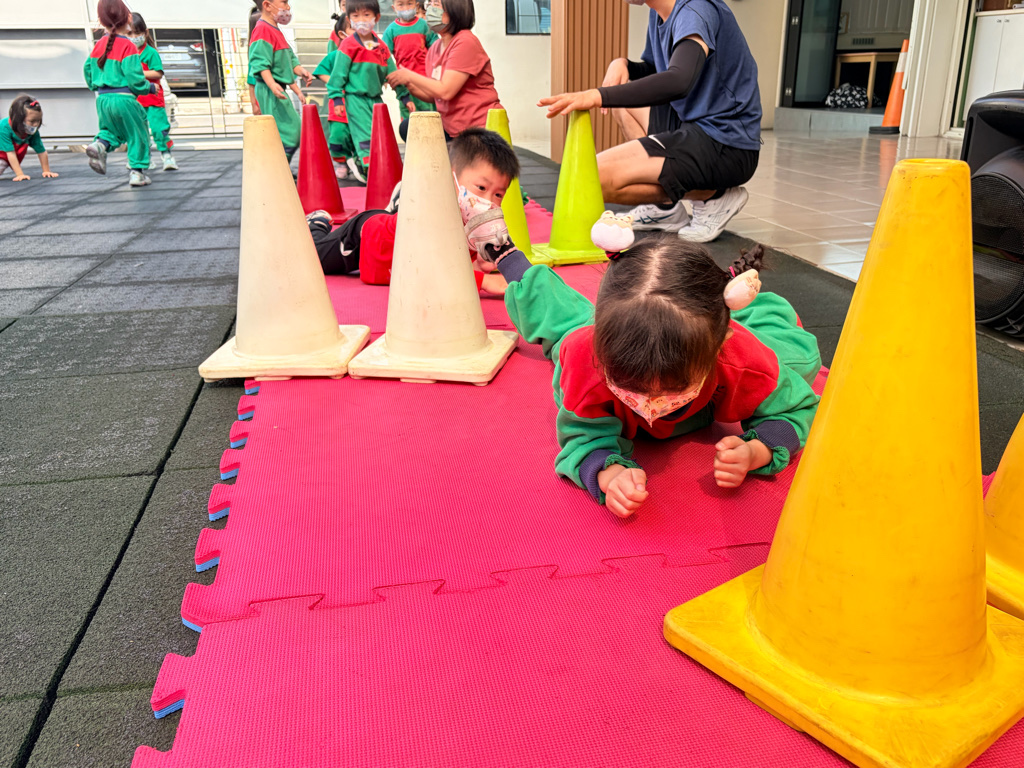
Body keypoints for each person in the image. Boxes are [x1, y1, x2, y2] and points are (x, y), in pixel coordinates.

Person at [477, 227, 820, 519]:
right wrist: (609, 474)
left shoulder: (740, 359)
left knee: (800, 361)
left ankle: (751, 309)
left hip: (730, 347)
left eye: (674, 387)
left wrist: (757, 450)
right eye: (629, 384)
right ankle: (503, 251)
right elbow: (583, 437)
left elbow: (798, 408)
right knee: (560, 317)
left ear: (719, 348)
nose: (650, 402)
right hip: (605, 340)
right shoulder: (586, 355)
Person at [538, 0, 761, 244]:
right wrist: (623, 64)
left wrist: (597, 96)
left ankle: (713, 196)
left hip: (727, 143)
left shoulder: (695, 9)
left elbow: (679, 80)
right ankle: (664, 209)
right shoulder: (659, 14)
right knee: (622, 98)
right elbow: (656, 69)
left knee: (593, 178)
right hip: (692, 125)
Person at [304, 126, 514, 295]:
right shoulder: (433, 215)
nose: (488, 201)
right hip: (365, 238)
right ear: (450, 177)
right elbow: (429, 270)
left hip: (397, 231)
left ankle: (402, 204)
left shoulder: (477, 217)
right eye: (481, 188)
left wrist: (481, 261)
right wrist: (484, 281)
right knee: (312, 259)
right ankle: (316, 226)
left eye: (498, 194)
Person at [386, 0, 502, 141]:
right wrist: (407, 84)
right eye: (430, 5)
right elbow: (433, 96)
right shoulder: (435, 48)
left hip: (478, 128)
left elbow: (445, 91)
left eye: (436, 4)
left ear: (455, 9)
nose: (430, 10)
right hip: (451, 128)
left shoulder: (465, 41)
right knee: (408, 127)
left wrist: (409, 75)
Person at [328, 0, 411, 183]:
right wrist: (337, 99)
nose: (361, 20)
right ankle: (368, 169)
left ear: (377, 17)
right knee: (365, 135)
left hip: (376, 99)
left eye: (366, 15)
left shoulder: (381, 47)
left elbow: (393, 74)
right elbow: (337, 75)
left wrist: (405, 97)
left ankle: (368, 163)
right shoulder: (348, 45)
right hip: (355, 98)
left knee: (380, 135)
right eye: (356, 16)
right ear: (349, 19)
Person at [83, 0, 156, 187]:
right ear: (127, 18)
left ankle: (99, 145)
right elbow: (134, 78)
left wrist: (95, 86)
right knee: (137, 133)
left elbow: (87, 69)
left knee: (110, 131)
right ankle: (137, 173)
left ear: (101, 21)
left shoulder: (99, 45)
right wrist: (147, 87)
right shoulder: (128, 46)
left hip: (103, 99)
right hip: (124, 98)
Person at [248, 0, 313, 160]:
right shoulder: (262, 29)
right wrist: (271, 84)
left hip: (276, 89)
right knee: (290, 133)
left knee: (291, 131)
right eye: (284, 2)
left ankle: (278, 166)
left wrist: (300, 71)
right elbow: (260, 62)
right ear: (267, 5)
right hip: (270, 90)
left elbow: (289, 58)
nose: (287, 7)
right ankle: (277, 166)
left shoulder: (273, 29)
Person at [128, 12, 177, 172]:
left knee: (158, 128)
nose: (134, 37)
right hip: (135, 100)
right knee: (139, 132)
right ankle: (144, 159)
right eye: (130, 34)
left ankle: (166, 155)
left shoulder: (150, 53)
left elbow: (157, 73)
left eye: (137, 33)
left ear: (145, 32)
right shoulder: (127, 54)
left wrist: (138, 74)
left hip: (153, 99)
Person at [313, 13, 357, 179]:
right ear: (342, 34)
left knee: (359, 137)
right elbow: (321, 71)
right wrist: (335, 83)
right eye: (353, 28)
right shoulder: (336, 55)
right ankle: (341, 161)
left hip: (358, 105)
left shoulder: (364, 55)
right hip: (339, 106)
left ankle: (359, 163)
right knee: (338, 136)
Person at [381, 0, 438, 121]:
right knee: (409, 120)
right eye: (401, 5)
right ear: (394, 8)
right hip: (404, 85)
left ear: (416, 6)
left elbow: (437, 49)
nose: (406, 8)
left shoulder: (425, 26)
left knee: (429, 118)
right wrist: (385, 77)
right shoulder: (391, 30)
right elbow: (383, 56)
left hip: (425, 81)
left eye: (409, 4)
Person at [1, 96, 58, 182]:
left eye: (38, 120)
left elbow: (41, 151)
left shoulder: (31, 131)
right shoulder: (4, 128)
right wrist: (20, 174)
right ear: (18, 119)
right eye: (32, 121)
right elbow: (10, 153)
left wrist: (46, 171)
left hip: (7, 156)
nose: (35, 124)